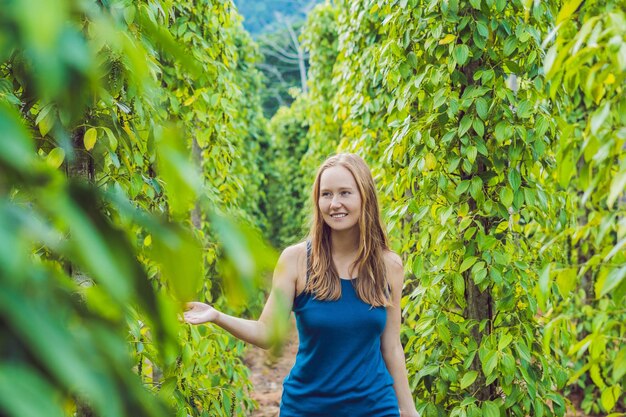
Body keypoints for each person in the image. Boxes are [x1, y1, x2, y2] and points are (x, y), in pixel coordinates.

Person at [184, 153, 419, 417]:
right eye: (326, 194)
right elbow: (265, 332)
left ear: (365, 197)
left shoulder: (389, 266)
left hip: (375, 408)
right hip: (309, 408)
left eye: (345, 193)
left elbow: (391, 347)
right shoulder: (296, 260)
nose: (335, 203)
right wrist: (216, 315)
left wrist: (410, 412)